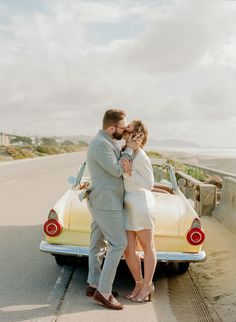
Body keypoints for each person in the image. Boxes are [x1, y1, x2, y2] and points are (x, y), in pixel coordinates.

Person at [85, 109, 142, 310]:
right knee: (119, 243)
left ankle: (93, 284)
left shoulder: (107, 141)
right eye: (123, 127)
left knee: (97, 242)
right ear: (111, 128)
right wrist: (129, 150)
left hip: (103, 200)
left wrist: (127, 144)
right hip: (106, 202)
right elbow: (117, 170)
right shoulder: (101, 144)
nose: (125, 129)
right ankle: (104, 292)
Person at [121, 120, 157, 303]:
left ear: (140, 136)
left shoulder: (142, 156)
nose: (126, 133)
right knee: (128, 250)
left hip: (142, 205)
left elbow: (149, 184)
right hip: (127, 206)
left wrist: (130, 173)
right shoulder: (127, 152)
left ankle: (148, 285)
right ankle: (138, 283)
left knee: (148, 248)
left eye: (130, 131)